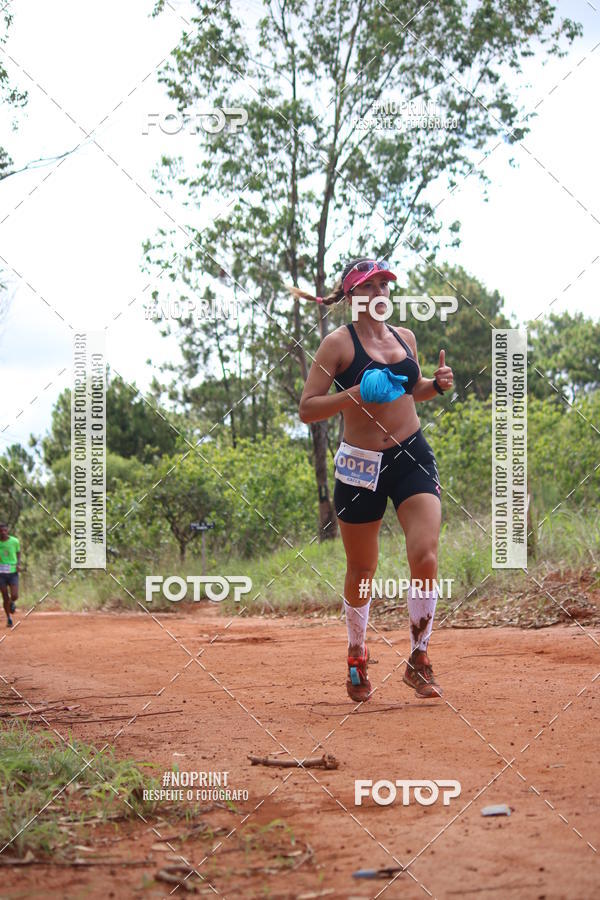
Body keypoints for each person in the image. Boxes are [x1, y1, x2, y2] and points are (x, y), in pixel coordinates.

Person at [296, 258, 454, 702]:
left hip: (411, 455)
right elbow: (307, 408)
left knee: (425, 554)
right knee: (363, 570)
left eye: (385, 284)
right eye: (370, 286)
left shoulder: (406, 338)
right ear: (353, 296)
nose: (381, 291)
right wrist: (354, 394)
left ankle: (419, 659)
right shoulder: (336, 345)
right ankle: (356, 651)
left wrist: (435, 385)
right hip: (360, 464)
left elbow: (413, 389)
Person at [0, 522, 20, 628]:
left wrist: (18, 564)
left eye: (4, 530)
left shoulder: (14, 541)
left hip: (12, 572)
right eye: (1, 531)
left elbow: (18, 553)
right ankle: (9, 618)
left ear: (7, 531)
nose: (3, 532)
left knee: (15, 595)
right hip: (1, 574)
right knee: (4, 596)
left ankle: (12, 602)